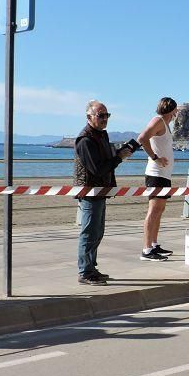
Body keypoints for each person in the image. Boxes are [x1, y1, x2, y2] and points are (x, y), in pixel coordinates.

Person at [74, 100, 134, 285]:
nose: (104, 119)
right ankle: (85, 271)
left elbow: (105, 161)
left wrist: (119, 153)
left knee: (97, 232)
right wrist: (118, 157)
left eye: (107, 115)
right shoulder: (85, 140)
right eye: (101, 115)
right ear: (89, 117)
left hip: (100, 191)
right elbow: (97, 169)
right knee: (89, 232)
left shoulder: (100, 136)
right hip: (91, 192)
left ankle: (91, 267)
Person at [136, 97, 179, 262]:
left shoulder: (165, 124)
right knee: (153, 211)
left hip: (164, 175)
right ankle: (146, 250)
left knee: (159, 210)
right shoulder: (158, 121)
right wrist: (155, 158)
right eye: (176, 110)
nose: (177, 113)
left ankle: (154, 244)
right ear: (172, 110)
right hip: (155, 174)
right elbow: (142, 138)